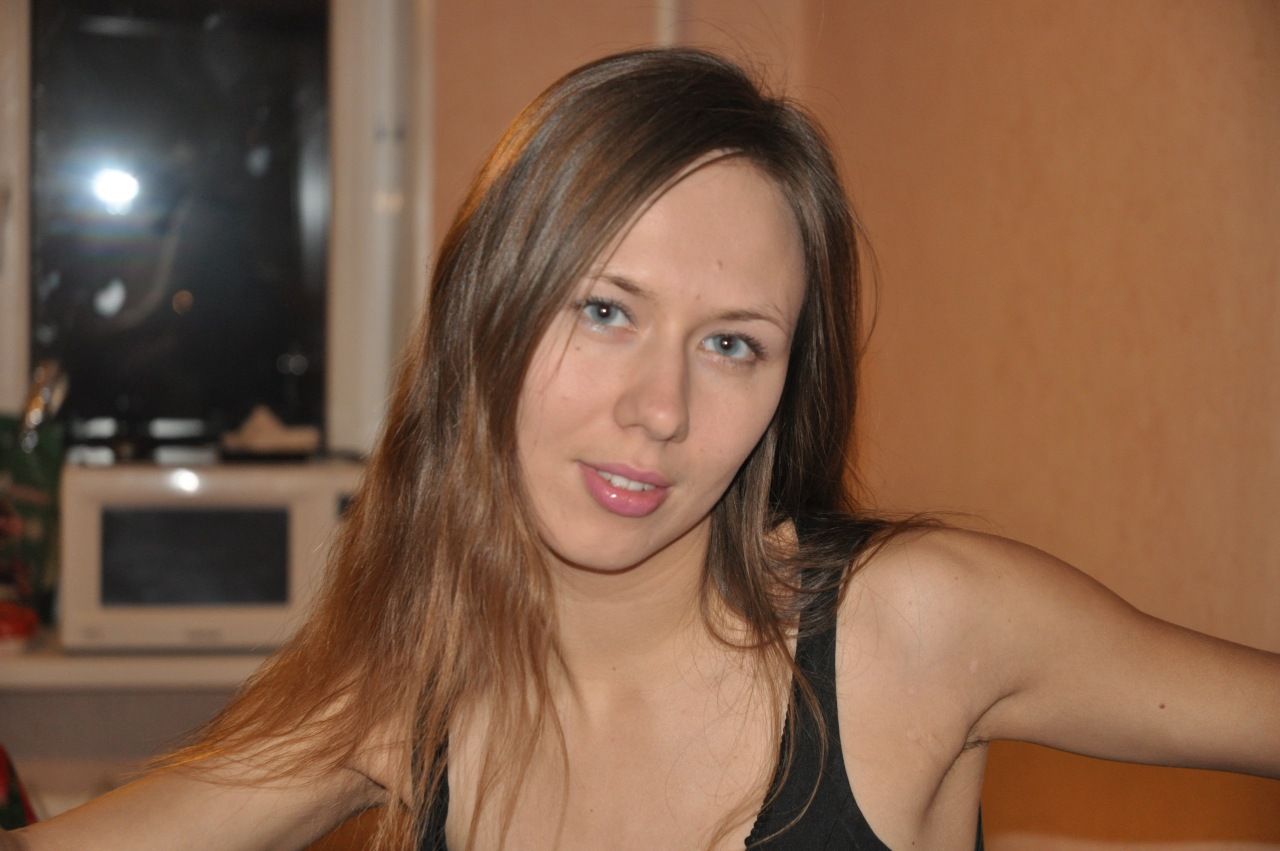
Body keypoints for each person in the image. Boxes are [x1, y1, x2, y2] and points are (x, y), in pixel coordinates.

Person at [6, 47, 1280, 851]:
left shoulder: (912, 626)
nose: (659, 409)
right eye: (605, 311)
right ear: (490, 316)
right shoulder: (411, 686)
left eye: (731, 344)